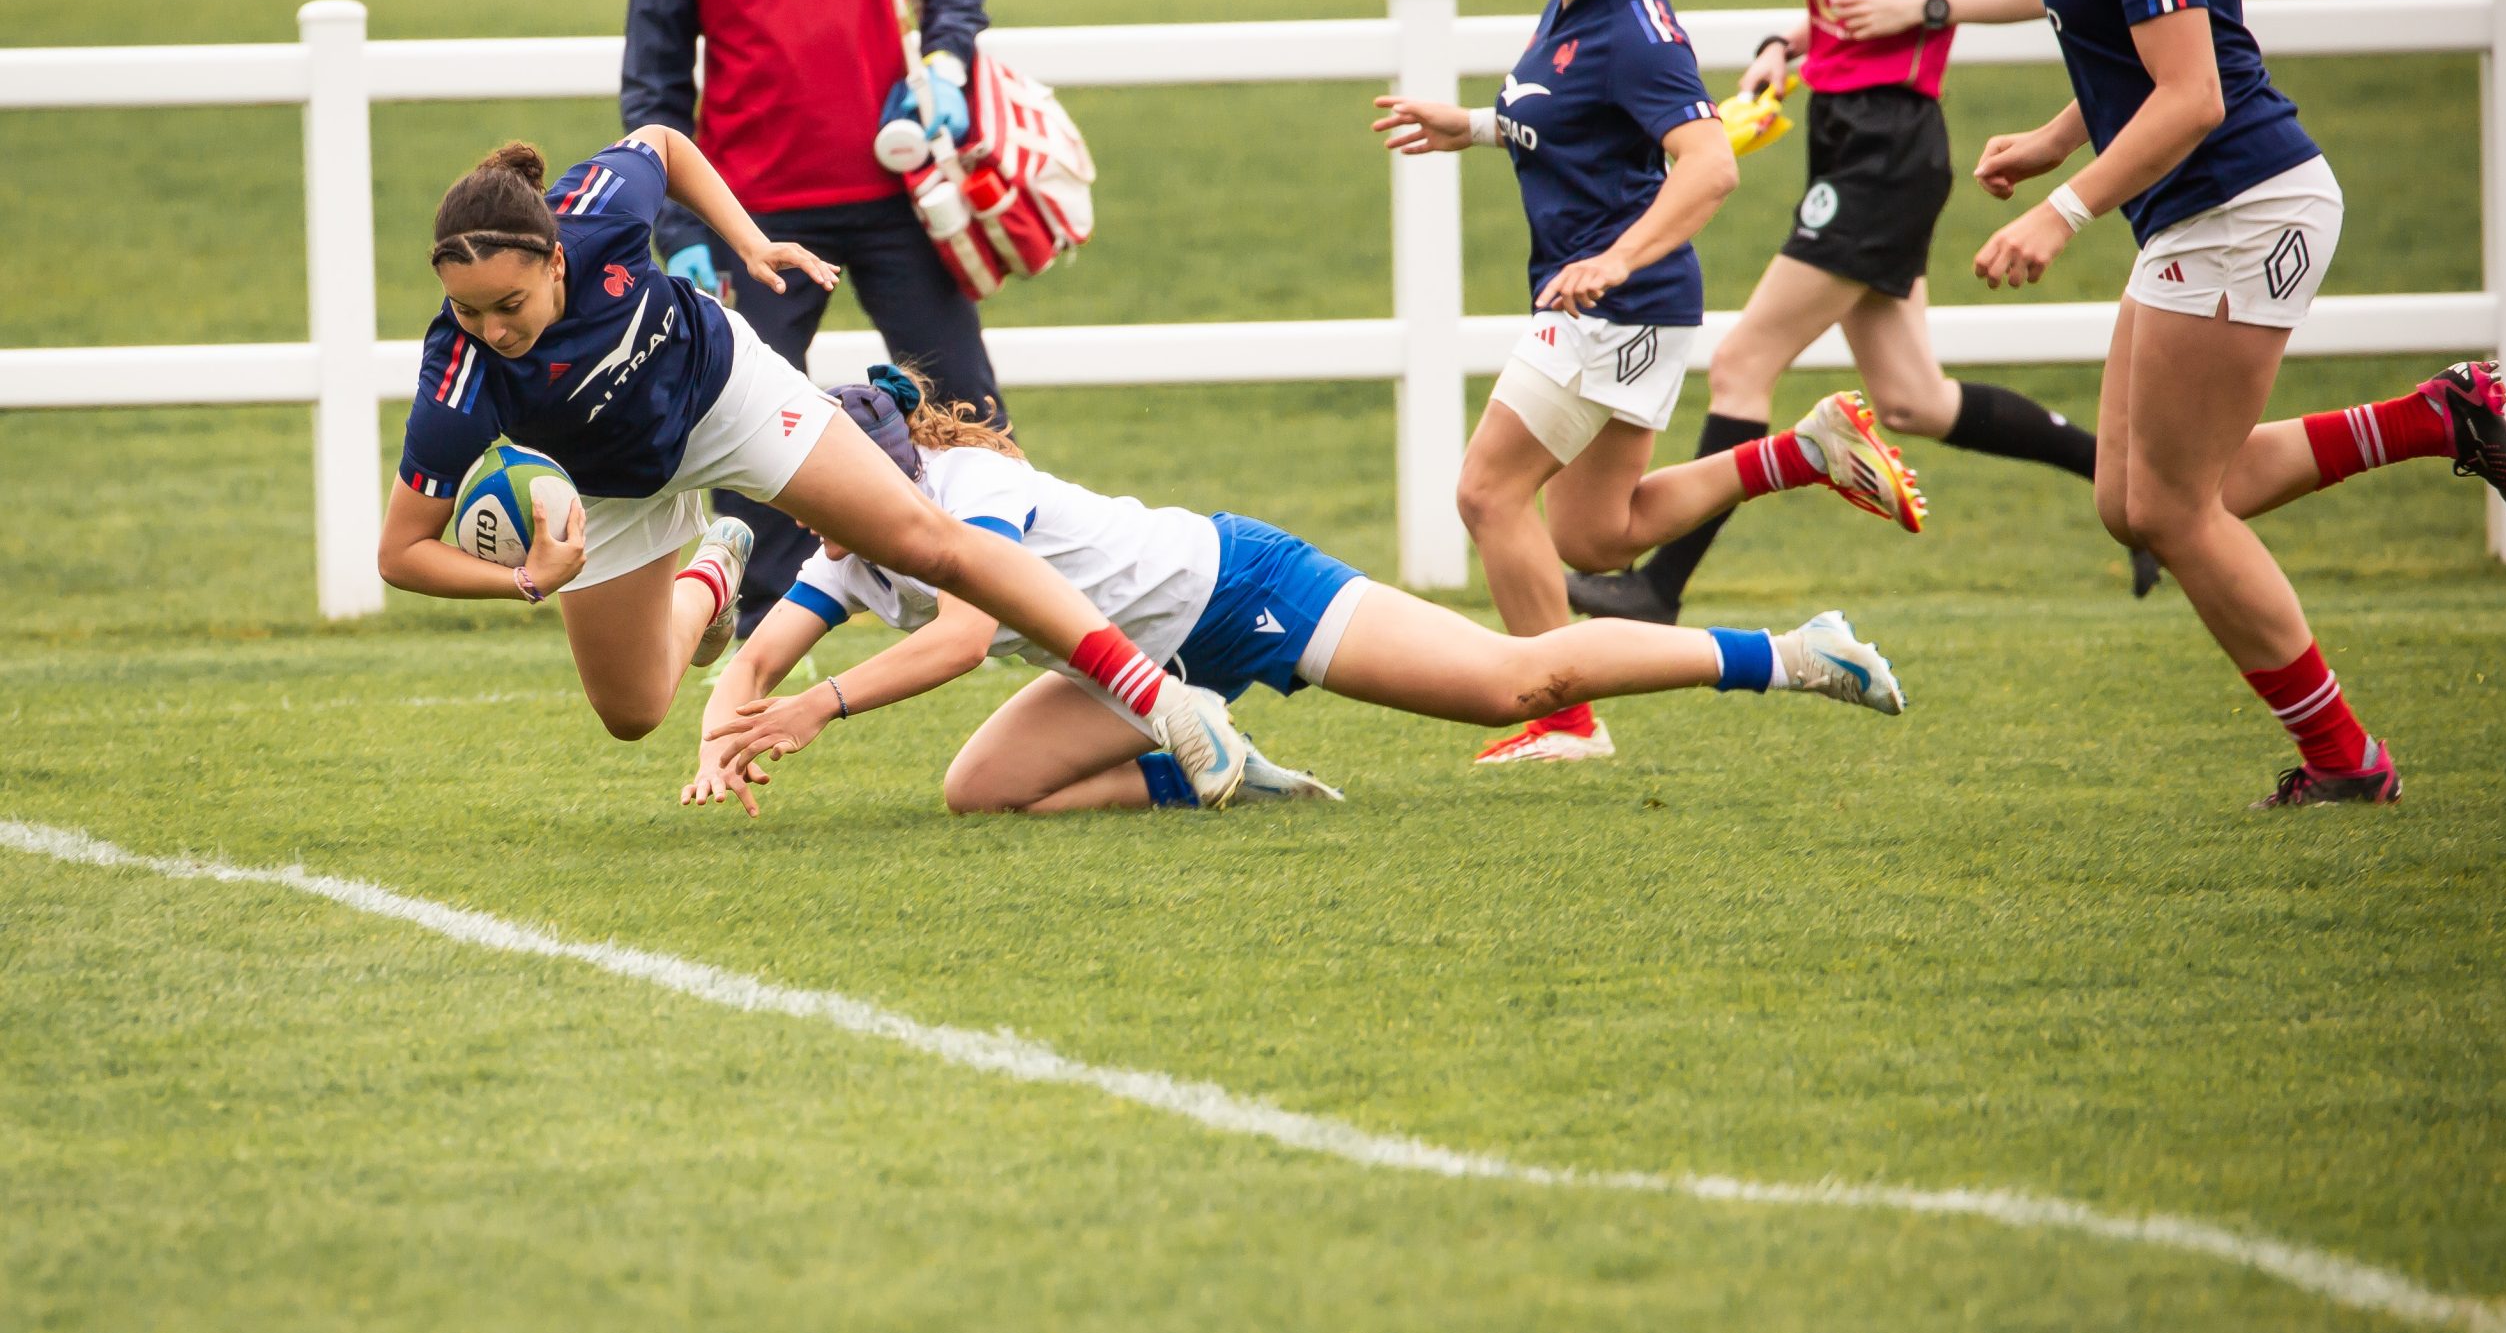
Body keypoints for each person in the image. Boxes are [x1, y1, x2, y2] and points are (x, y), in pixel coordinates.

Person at [1971, 0, 2506, 807]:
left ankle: (2348, 762)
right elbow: (2141, 64)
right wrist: (2054, 138)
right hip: (2205, 208)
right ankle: (2435, 417)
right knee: (2132, 500)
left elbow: (2194, 95)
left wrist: (2061, 208)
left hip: (2243, 206)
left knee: (2177, 511)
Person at [374, 129, 1253, 805]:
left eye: (509, 303)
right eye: (468, 307)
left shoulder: (599, 207)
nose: (491, 327)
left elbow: (666, 144)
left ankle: (1164, 705)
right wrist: (528, 580)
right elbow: (400, 552)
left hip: (729, 397)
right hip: (613, 485)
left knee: (927, 540)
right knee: (635, 712)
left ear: (557, 256)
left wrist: (749, 244)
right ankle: (716, 575)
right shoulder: (459, 377)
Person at [1569, 0, 2155, 631]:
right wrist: (1782, 46)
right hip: (1839, 137)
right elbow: (1837, 12)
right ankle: (2134, 495)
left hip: (1890, 149)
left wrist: (1927, 10)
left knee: (1745, 360)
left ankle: (1657, 589)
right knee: (1915, 400)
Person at [683, 369, 1909, 818]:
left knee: (1510, 683)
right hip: (1129, 666)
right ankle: (1223, 762)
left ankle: (1797, 651)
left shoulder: (950, 483)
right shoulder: (850, 540)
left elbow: (959, 635)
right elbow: (753, 657)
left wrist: (816, 710)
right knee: (981, 793)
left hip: (1235, 589)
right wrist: (724, 732)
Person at [1372, 0, 1925, 767]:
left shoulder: (1631, 25)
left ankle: (1565, 718)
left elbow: (1708, 167)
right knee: (1596, 536)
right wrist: (1467, 125)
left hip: (1612, 302)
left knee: (1485, 494)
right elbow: (1569, 124)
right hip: (1619, 301)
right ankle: (1799, 454)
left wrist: (1618, 260)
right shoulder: (1574, 3)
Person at [622, 0, 1005, 641]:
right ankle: (764, 634)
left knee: (968, 405)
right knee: (751, 433)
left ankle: (998, 605)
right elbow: (654, 91)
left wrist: (948, 61)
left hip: (897, 201)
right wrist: (683, 230)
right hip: (760, 225)